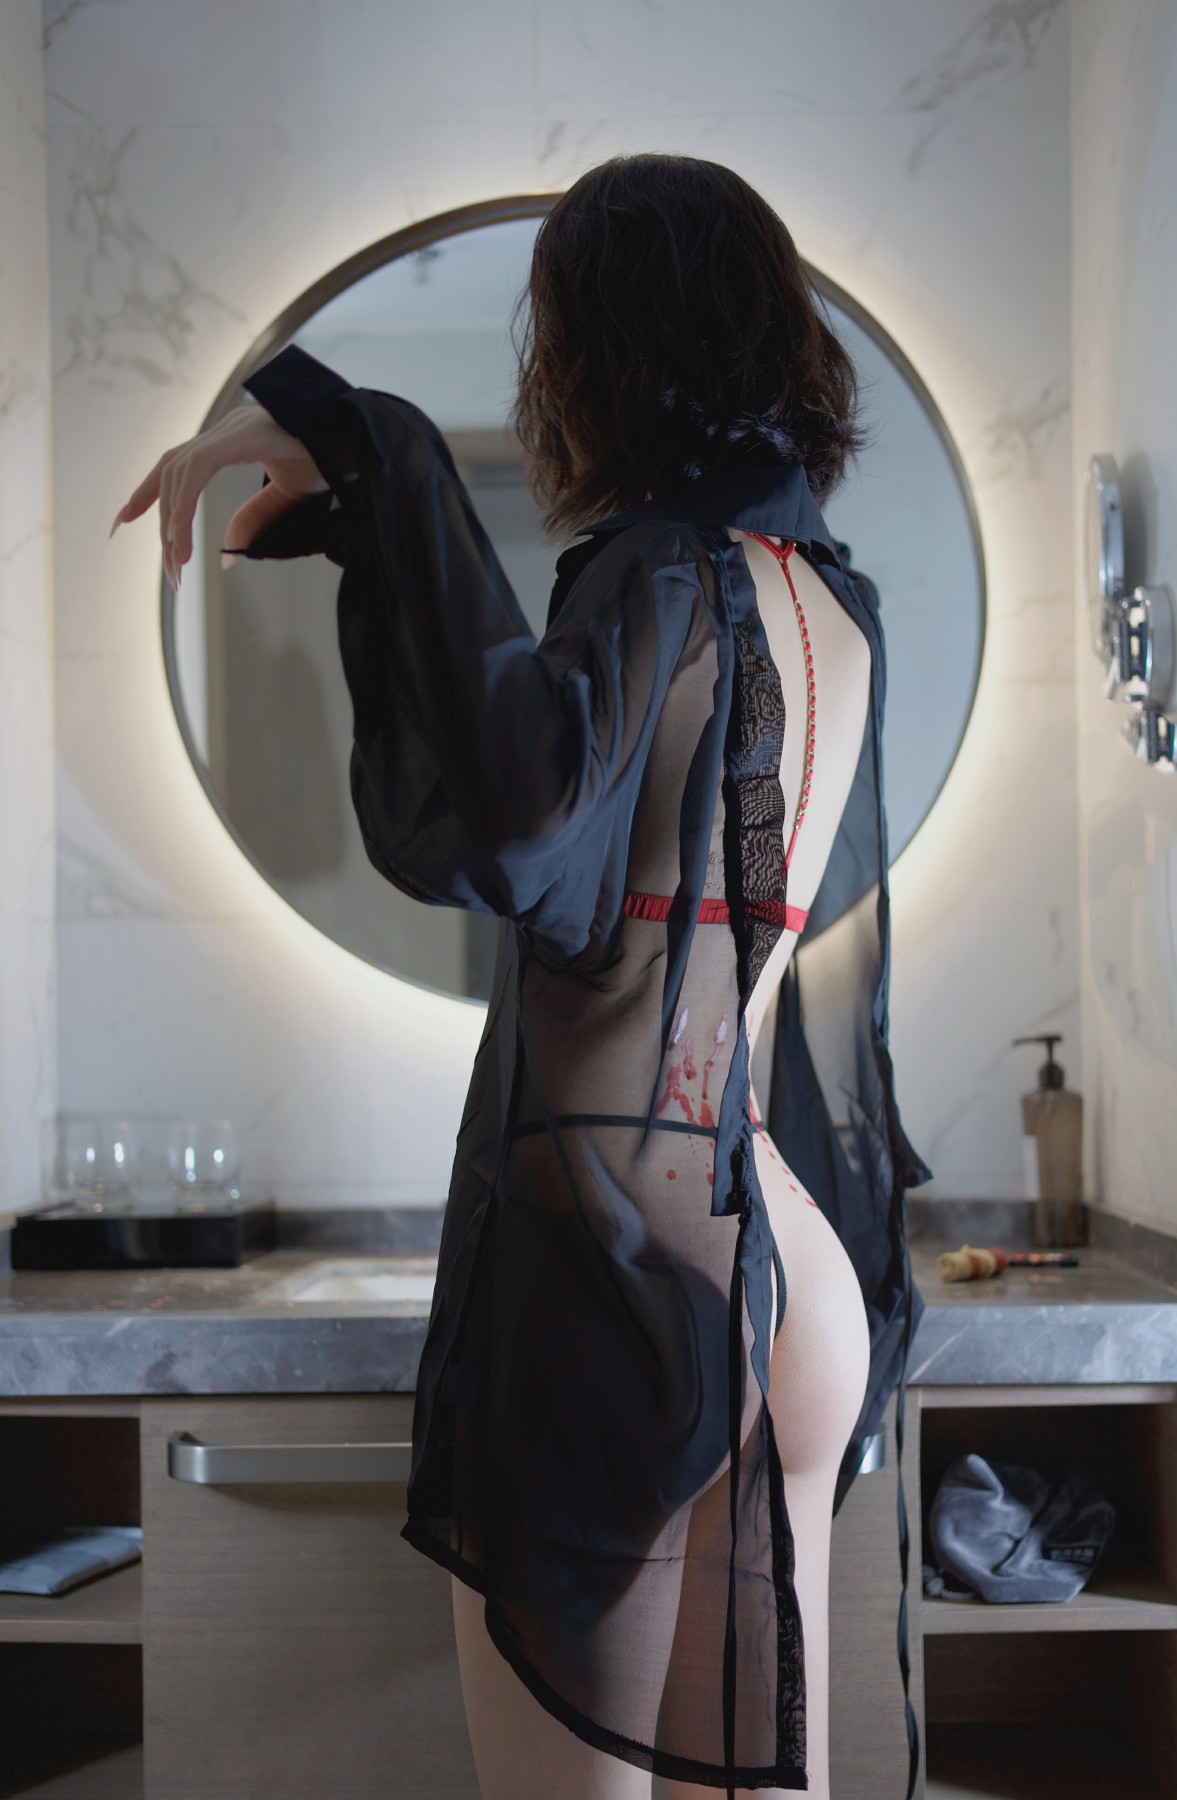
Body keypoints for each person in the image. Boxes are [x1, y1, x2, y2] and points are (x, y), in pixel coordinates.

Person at [114, 152, 932, 1800]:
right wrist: (374, 513)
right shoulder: (828, 603)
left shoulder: (658, 577)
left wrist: (380, 447)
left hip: (620, 1279)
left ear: (595, 353)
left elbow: (517, 819)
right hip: (788, 1273)